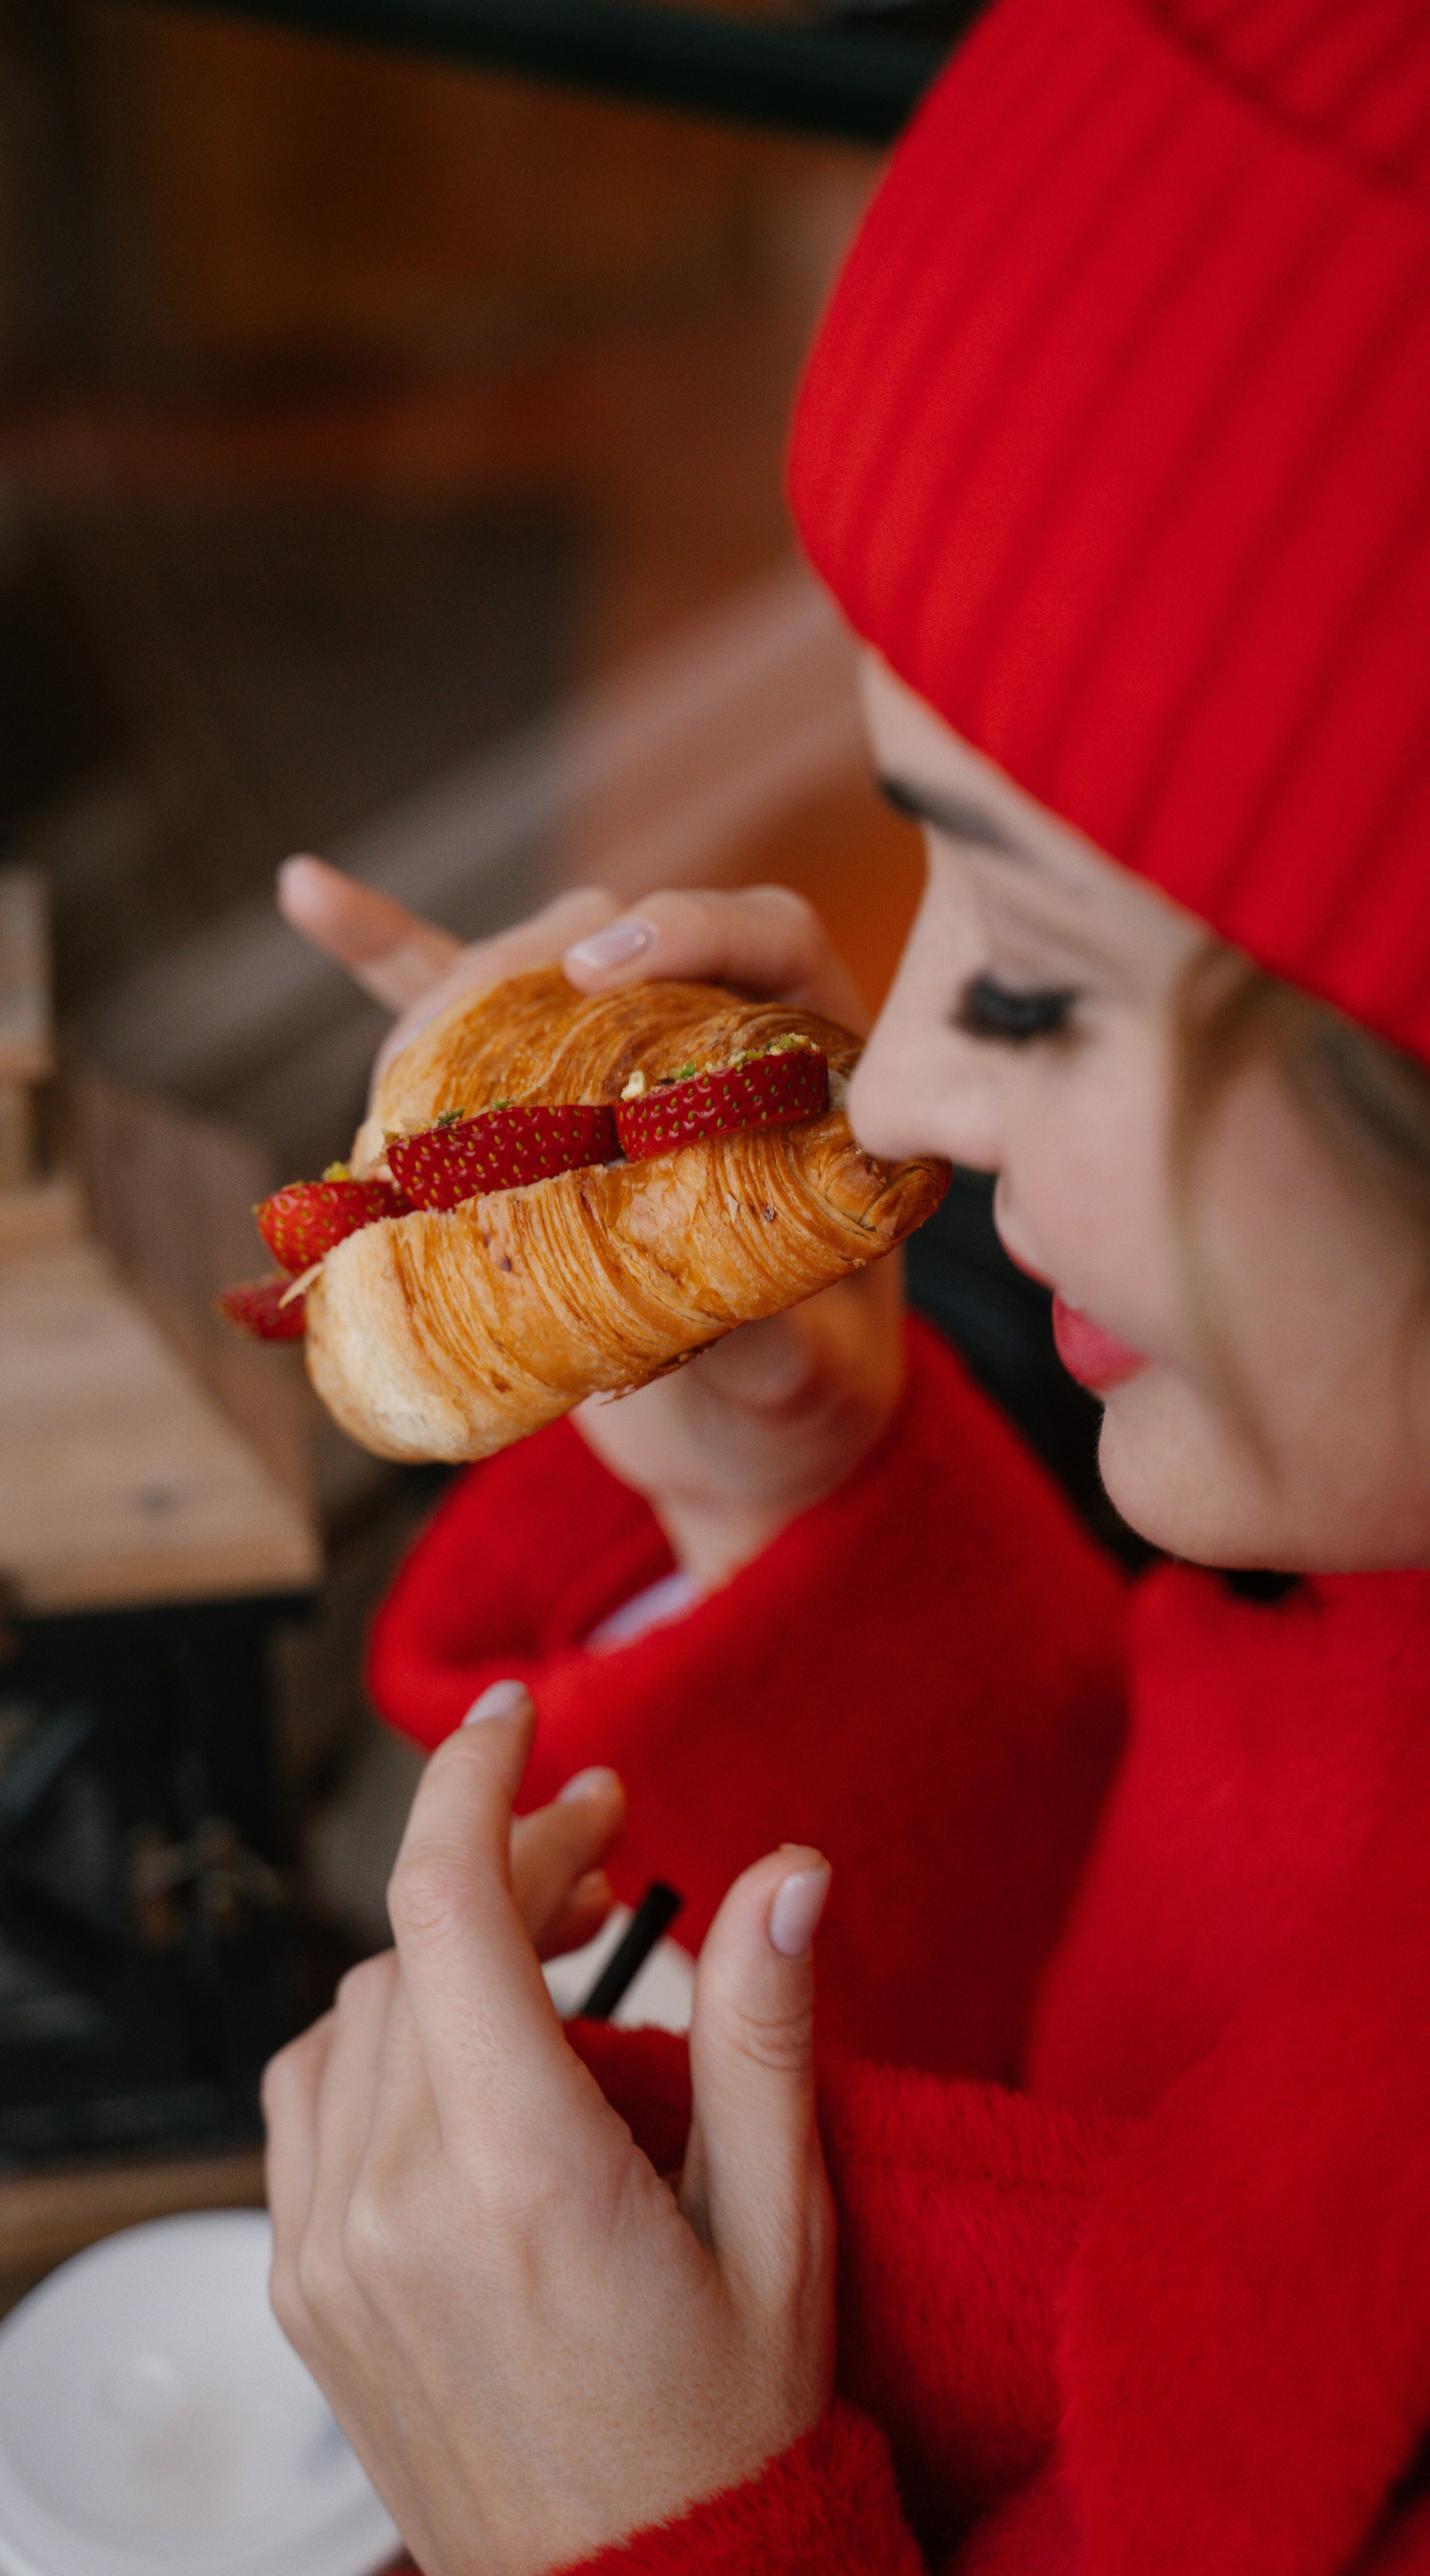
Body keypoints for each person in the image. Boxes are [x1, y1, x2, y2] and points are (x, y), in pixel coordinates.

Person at [261, 0, 1430, 2567]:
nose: (885, 1083)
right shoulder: (1358, 1610)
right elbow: (1106, 2100)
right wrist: (819, 1509)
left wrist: (641, 2529)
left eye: (1034, 975)